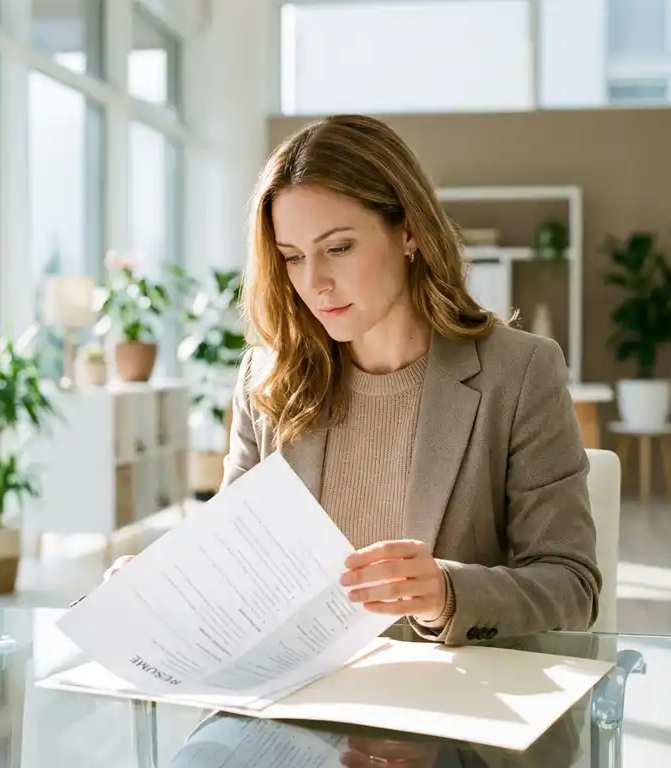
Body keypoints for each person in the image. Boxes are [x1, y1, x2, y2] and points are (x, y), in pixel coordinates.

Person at [107, 114, 600, 645]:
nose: (314, 282)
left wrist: (446, 593)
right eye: (293, 258)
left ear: (409, 231)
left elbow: (572, 586)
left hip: (448, 708)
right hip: (299, 707)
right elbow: (234, 564)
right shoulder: (267, 380)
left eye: (338, 248)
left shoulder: (519, 373)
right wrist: (157, 585)